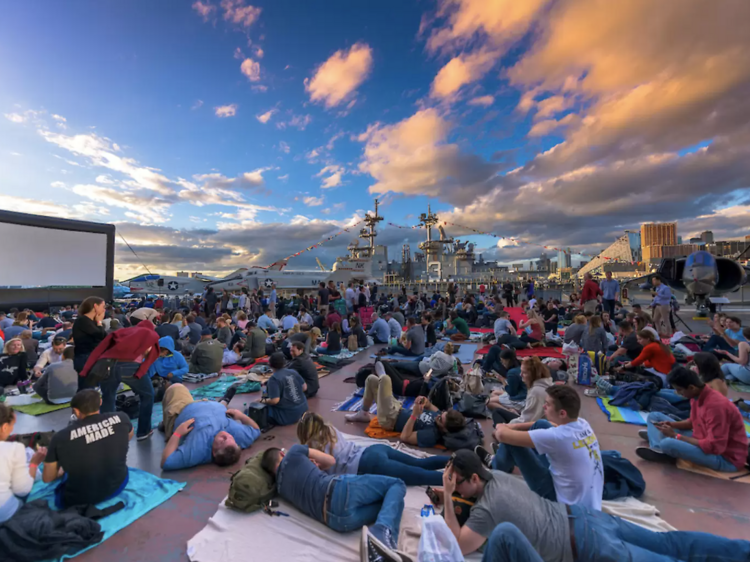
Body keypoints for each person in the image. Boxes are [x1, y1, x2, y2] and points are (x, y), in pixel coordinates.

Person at [442, 449, 750, 562]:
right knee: (669, 543)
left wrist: (445, 494)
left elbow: (460, 545)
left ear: (471, 478)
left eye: (456, 481)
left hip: (585, 544)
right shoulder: (496, 475)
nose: (455, 487)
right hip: (586, 518)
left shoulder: (486, 510)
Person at [261, 445, 406, 557]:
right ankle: (382, 533)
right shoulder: (293, 452)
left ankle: (384, 547)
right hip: (339, 490)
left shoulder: (280, 490)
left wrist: (311, 468)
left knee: (392, 502)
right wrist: (316, 465)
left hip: (338, 522)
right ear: (281, 454)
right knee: (396, 485)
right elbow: (330, 461)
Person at [480, 385, 603, 510]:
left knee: (510, 442)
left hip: (561, 504)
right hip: (585, 500)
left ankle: (493, 470)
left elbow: (501, 435)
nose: (544, 406)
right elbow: (549, 424)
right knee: (541, 424)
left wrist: (503, 427)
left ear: (562, 413)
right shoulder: (583, 424)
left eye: (548, 405)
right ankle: (503, 459)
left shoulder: (557, 437)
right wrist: (514, 427)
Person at [637, 366, 748, 470]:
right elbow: (692, 422)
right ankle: (659, 444)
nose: (678, 393)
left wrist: (676, 436)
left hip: (724, 458)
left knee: (668, 443)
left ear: (691, 387)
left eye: (679, 390)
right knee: (654, 416)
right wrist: (672, 425)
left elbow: (714, 447)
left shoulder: (716, 406)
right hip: (703, 438)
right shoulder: (696, 395)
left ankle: (661, 443)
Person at [297, 412, 449, 486]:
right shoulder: (330, 429)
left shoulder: (312, 449)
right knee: (419, 464)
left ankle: (454, 482)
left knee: (420, 476)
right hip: (373, 450)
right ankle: (457, 460)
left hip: (368, 465)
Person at [42, 390, 132, 508]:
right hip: (119, 485)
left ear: (76, 411)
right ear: (100, 402)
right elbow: (129, 436)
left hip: (79, 499)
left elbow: (48, 478)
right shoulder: (122, 418)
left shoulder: (60, 438)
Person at [346, 363, 467, 448]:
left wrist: (414, 415)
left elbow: (405, 437)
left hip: (390, 419)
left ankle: (383, 375)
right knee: (371, 379)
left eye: (440, 419)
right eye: (441, 414)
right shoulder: (439, 416)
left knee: (386, 380)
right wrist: (424, 401)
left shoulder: (431, 435)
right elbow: (430, 406)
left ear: (445, 429)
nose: (438, 416)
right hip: (398, 409)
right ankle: (363, 412)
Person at [80, 321, 161, 441]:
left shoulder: (122, 331)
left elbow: (99, 349)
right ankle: (143, 431)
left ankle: (107, 434)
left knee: (108, 397)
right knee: (148, 395)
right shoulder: (149, 334)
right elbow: (152, 356)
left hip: (106, 365)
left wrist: (86, 370)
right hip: (130, 366)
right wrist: (140, 373)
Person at [159, 383, 259, 470]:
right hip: (211, 406)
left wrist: (177, 433)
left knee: (176, 387)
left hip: (182, 409)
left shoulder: (197, 450)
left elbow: (166, 462)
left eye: (223, 440)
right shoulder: (237, 437)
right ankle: (224, 401)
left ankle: (166, 424)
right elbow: (256, 430)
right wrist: (241, 416)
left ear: (214, 453)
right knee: (223, 410)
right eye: (230, 438)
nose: (226, 435)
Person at [0, 403, 47, 523]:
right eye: (12, 425)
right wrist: (34, 464)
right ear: (4, 427)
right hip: (7, 515)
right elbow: (23, 489)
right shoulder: (13, 449)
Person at [491, 357, 553, 426]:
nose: (521, 375)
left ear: (533, 375)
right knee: (497, 408)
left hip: (532, 427)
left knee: (496, 411)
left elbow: (527, 420)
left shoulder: (536, 391)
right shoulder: (545, 384)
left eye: (524, 373)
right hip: (534, 421)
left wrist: (506, 426)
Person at [260, 352, 308, 426]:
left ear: (270, 364)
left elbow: (275, 400)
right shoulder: (293, 372)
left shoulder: (274, 379)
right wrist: (291, 393)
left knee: (259, 409)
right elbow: (304, 387)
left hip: (287, 416)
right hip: (303, 409)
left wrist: (261, 401)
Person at [72, 296, 107, 383]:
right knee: (86, 387)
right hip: (85, 358)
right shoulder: (82, 320)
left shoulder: (92, 321)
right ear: (95, 306)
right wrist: (99, 322)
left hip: (93, 357)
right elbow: (99, 335)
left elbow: (104, 336)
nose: (104, 310)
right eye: (103, 307)